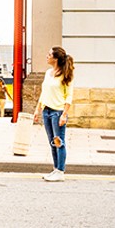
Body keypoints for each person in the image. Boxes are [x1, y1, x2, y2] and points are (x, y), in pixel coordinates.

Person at [39, 46, 74, 182]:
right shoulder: (48, 73)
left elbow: (69, 96)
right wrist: (38, 110)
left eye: (49, 55)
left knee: (60, 142)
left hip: (58, 112)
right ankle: (55, 169)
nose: (47, 56)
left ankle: (60, 171)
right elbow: (44, 93)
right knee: (52, 142)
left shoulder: (66, 74)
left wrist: (64, 114)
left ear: (56, 58)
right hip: (46, 111)